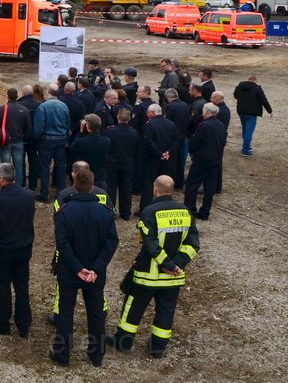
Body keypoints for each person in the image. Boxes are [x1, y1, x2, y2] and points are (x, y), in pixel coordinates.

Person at [108, 175, 200, 358]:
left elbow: (151, 245)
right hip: (173, 276)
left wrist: (166, 264)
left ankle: (123, 341)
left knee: (133, 306)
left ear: (155, 189)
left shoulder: (150, 212)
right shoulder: (185, 212)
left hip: (147, 275)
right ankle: (158, 347)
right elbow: (193, 245)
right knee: (166, 310)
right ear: (171, 190)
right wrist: (175, 266)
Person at [49, 166, 119, 367]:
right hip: (95, 273)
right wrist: (96, 268)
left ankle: (63, 353)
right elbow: (111, 242)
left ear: (74, 185)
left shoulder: (65, 212)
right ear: (92, 187)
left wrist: (78, 267)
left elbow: (63, 244)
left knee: (65, 312)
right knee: (96, 312)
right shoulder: (105, 212)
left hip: (70, 271)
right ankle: (97, 354)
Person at [0, 162, 35, 338]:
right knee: (22, 285)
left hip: (1, 250)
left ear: (1, 179)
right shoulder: (28, 196)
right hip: (23, 248)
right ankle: (24, 323)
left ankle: (3, 322)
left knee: (2, 285)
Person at [184, 103, 227, 220]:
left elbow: (194, 142)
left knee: (192, 185)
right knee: (209, 188)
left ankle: (190, 210)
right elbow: (223, 142)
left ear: (206, 112)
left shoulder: (204, 126)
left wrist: (192, 150)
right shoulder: (220, 125)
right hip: (215, 160)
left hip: (202, 160)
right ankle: (205, 212)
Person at [33, 83, 69, 202]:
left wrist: (37, 139)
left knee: (45, 167)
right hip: (61, 139)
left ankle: (44, 194)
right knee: (60, 167)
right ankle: (61, 194)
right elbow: (67, 124)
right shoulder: (64, 106)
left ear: (48, 92)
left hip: (47, 140)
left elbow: (39, 127)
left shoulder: (43, 107)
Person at [140, 104, 178, 213]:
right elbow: (176, 140)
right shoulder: (171, 124)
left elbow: (148, 142)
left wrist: (159, 153)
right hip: (167, 159)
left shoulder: (150, 125)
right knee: (165, 185)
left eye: (148, 113)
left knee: (149, 184)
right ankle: (164, 208)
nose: (147, 115)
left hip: (153, 159)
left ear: (152, 113)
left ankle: (145, 207)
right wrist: (168, 152)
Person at [104, 108, 139, 220]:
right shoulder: (134, 133)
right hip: (127, 163)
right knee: (126, 188)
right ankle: (125, 212)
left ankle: (110, 210)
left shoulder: (109, 131)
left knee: (111, 188)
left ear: (117, 117)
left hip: (112, 163)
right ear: (129, 119)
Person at [0, 88, 32, 188]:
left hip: (5, 142)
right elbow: (28, 127)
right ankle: (18, 187)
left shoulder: (2, 109)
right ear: (18, 96)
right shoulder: (24, 109)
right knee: (19, 167)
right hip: (19, 141)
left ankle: (6, 187)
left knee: (5, 168)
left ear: (7, 96)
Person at [68, 114, 111, 191]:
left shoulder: (80, 142)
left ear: (87, 126)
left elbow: (72, 147)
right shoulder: (107, 141)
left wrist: (81, 132)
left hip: (83, 177)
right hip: (100, 177)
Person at [233, 74, 273, 156]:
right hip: (252, 113)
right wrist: (269, 111)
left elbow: (235, 96)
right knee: (249, 131)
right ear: (255, 80)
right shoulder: (257, 89)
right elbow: (264, 101)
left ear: (248, 79)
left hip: (241, 111)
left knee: (245, 129)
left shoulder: (240, 87)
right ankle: (245, 150)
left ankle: (247, 146)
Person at [163, 88, 191, 188]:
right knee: (181, 160)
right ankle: (179, 182)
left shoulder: (171, 107)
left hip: (174, 137)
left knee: (172, 161)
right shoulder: (185, 105)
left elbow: (167, 123)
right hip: (183, 135)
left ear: (169, 97)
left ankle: (172, 182)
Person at [19, 85, 43, 190]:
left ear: (23, 93)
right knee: (33, 162)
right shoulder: (40, 105)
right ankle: (33, 185)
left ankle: (22, 184)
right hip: (34, 139)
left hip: (22, 138)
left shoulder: (19, 105)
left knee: (21, 163)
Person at [210, 91, 232, 194]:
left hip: (217, 139)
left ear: (217, 99)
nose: (211, 100)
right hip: (220, 138)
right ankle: (216, 186)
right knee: (218, 162)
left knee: (215, 164)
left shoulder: (220, 111)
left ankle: (214, 186)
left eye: (212, 98)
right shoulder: (225, 109)